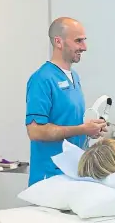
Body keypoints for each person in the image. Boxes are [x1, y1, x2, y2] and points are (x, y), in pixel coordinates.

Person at [25, 17, 107, 186]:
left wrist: (89, 130)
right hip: (49, 177)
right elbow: (35, 131)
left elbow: (67, 122)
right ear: (58, 42)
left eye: (84, 40)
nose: (84, 47)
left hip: (73, 173)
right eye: (78, 41)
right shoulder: (42, 79)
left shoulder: (74, 77)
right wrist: (81, 129)